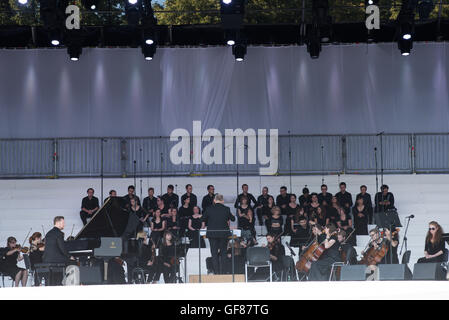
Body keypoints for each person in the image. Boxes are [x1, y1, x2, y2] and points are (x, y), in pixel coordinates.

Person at [202, 193, 235, 275]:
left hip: (212, 234)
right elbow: (233, 219)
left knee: (214, 253)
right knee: (224, 253)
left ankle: (216, 273)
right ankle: (223, 272)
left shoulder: (209, 208)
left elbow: (202, 219)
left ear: (214, 200)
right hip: (223, 234)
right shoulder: (226, 209)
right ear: (222, 201)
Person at [42, 216, 74, 285]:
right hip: (56, 259)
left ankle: (59, 281)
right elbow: (62, 248)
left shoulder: (48, 233)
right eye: (63, 223)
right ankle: (67, 282)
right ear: (58, 222)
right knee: (73, 262)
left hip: (46, 259)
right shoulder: (59, 233)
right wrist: (69, 256)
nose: (64, 224)